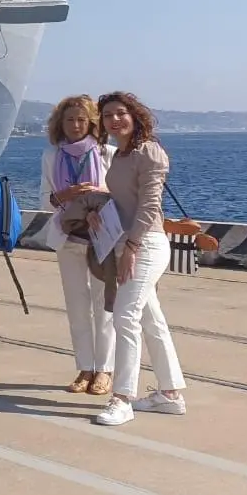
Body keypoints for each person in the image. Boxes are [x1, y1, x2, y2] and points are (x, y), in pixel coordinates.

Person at [94, 92, 187, 427]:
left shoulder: (149, 151)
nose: (114, 120)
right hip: (128, 243)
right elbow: (123, 200)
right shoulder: (120, 155)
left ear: (134, 116)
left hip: (145, 244)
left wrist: (131, 247)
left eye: (120, 113)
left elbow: (149, 206)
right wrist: (98, 214)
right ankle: (170, 393)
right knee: (151, 319)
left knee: (125, 316)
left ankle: (122, 398)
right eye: (107, 115)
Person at [41, 95, 115, 396]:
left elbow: (120, 194)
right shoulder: (51, 156)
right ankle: (85, 367)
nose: (75, 125)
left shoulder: (107, 153)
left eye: (81, 120)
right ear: (61, 123)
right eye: (69, 120)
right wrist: (67, 194)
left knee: (104, 304)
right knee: (76, 306)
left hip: (102, 238)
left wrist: (98, 195)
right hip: (68, 235)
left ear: (92, 123)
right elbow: (45, 198)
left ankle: (105, 369)